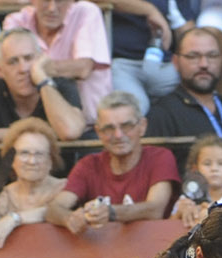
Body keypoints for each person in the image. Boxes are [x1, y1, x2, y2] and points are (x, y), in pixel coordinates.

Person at [62, 92, 177, 223]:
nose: (118, 135)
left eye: (126, 126)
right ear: (99, 132)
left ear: (142, 126)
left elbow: (155, 209)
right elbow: (56, 207)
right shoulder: (88, 165)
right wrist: (70, 218)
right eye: (109, 128)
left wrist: (111, 212)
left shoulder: (160, 158)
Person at [0, 117, 69, 250]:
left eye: (39, 154)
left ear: (51, 160)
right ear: (12, 160)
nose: (32, 161)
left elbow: (57, 212)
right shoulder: (5, 195)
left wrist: (14, 219)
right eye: (24, 153)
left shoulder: (66, 188)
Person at [147, 26, 222, 140]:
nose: (204, 64)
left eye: (212, 56)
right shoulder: (163, 114)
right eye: (193, 56)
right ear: (176, 62)